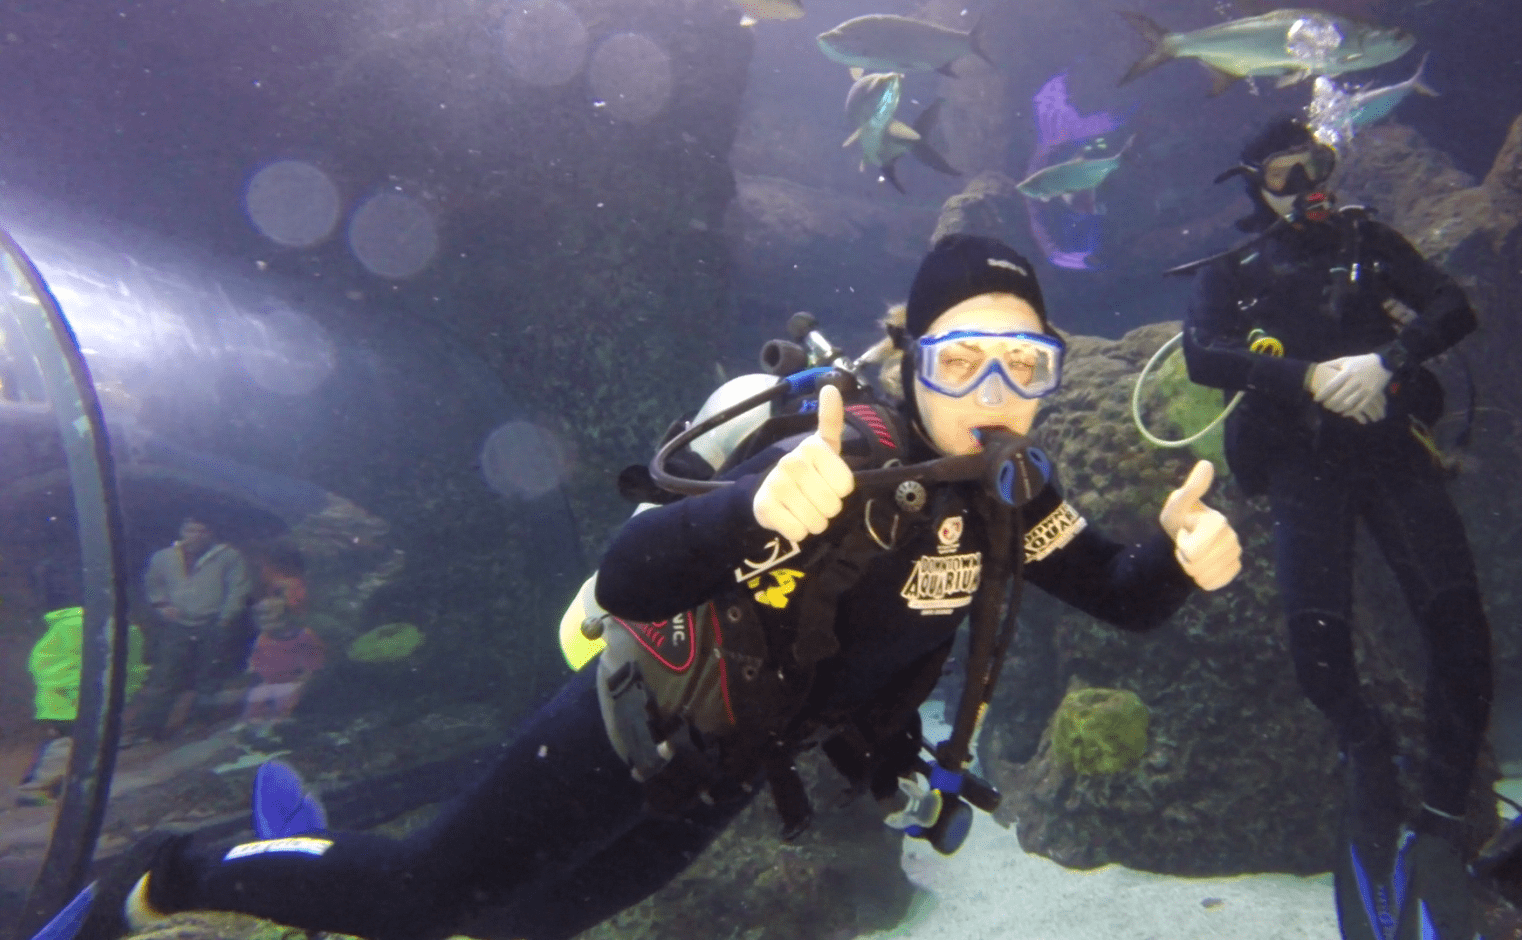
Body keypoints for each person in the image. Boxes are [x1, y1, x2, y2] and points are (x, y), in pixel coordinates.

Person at [73, 235, 1243, 940]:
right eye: (960, 357)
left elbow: (1122, 595)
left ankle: (311, 868)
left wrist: (1180, 563)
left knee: (530, 924)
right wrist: (751, 509)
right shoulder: (838, 454)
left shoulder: (1017, 493)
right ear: (908, 358)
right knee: (431, 896)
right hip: (630, 719)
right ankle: (167, 873)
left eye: (1025, 360)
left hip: (727, 768)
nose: (995, 386)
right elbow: (631, 575)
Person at [1179, 116, 1492, 940]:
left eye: (1317, 165)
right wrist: (1306, 377)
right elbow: (1199, 354)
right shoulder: (1234, 269)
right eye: (1286, 173)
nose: (1308, 184)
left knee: (1459, 629)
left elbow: (1452, 305)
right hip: (1299, 467)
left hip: (1392, 454)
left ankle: (1436, 823)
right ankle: (1368, 757)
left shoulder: (1368, 239)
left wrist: (1388, 361)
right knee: (1318, 654)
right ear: (1254, 183)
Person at [16, 562, 148, 806]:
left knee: (68, 743)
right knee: (66, 743)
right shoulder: (81, 626)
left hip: (75, 700)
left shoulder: (107, 626)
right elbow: (47, 666)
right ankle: (36, 788)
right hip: (73, 701)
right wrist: (84, 692)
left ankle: (44, 782)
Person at [130, 517, 255, 741]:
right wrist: (161, 604)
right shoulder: (164, 557)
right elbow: (153, 583)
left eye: (202, 530)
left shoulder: (228, 556)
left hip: (213, 623)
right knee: (165, 676)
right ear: (182, 531)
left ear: (211, 533)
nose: (195, 535)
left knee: (208, 678)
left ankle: (198, 723)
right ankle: (148, 729)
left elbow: (238, 588)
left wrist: (226, 618)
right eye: (190, 530)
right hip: (177, 624)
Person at [240, 596, 327, 731]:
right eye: (261, 615)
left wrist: (303, 680)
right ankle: (253, 727)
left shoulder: (304, 635)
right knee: (256, 697)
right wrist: (259, 674)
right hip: (270, 682)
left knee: (286, 698)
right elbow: (257, 661)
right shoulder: (263, 638)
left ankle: (281, 726)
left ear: (286, 615)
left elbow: (314, 664)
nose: (265, 619)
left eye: (270, 613)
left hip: (296, 681)